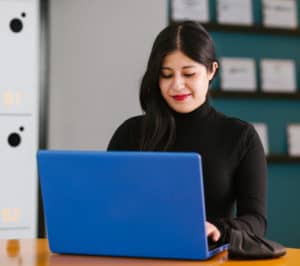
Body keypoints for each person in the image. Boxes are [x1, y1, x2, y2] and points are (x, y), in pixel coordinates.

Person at [107, 21, 267, 244]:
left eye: (189, 74)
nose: (177, 85)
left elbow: (256, 220)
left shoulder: (241, 136)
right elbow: (108, 206)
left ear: (211, 71)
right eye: (166, 75)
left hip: (209, 255)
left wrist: (218, 229)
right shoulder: (130, 132)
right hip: (138, 253)